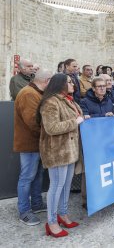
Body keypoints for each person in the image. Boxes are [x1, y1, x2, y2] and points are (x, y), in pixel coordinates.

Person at [37, 73, 84, 237]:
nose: (73, 84)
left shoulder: (67, 99)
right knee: (56, 186)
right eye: (70, 82)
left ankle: (63, 214)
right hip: (57, 151)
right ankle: (51, 222)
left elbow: (78, 118)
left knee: (66, 185)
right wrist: (75, 122)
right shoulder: (51, 102)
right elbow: (51, 128)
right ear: (60, 84)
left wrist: (83, 118)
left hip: (69, 149)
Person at [14, 69, 52, 226]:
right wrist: (50, 132)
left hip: (37, 143)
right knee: (27, 177)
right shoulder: (29, 94)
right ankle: (24, 211)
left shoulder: (35, 92)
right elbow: (33, 122)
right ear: (47, 81)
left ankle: (36, 204)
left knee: (37, 175)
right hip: (30, 144)